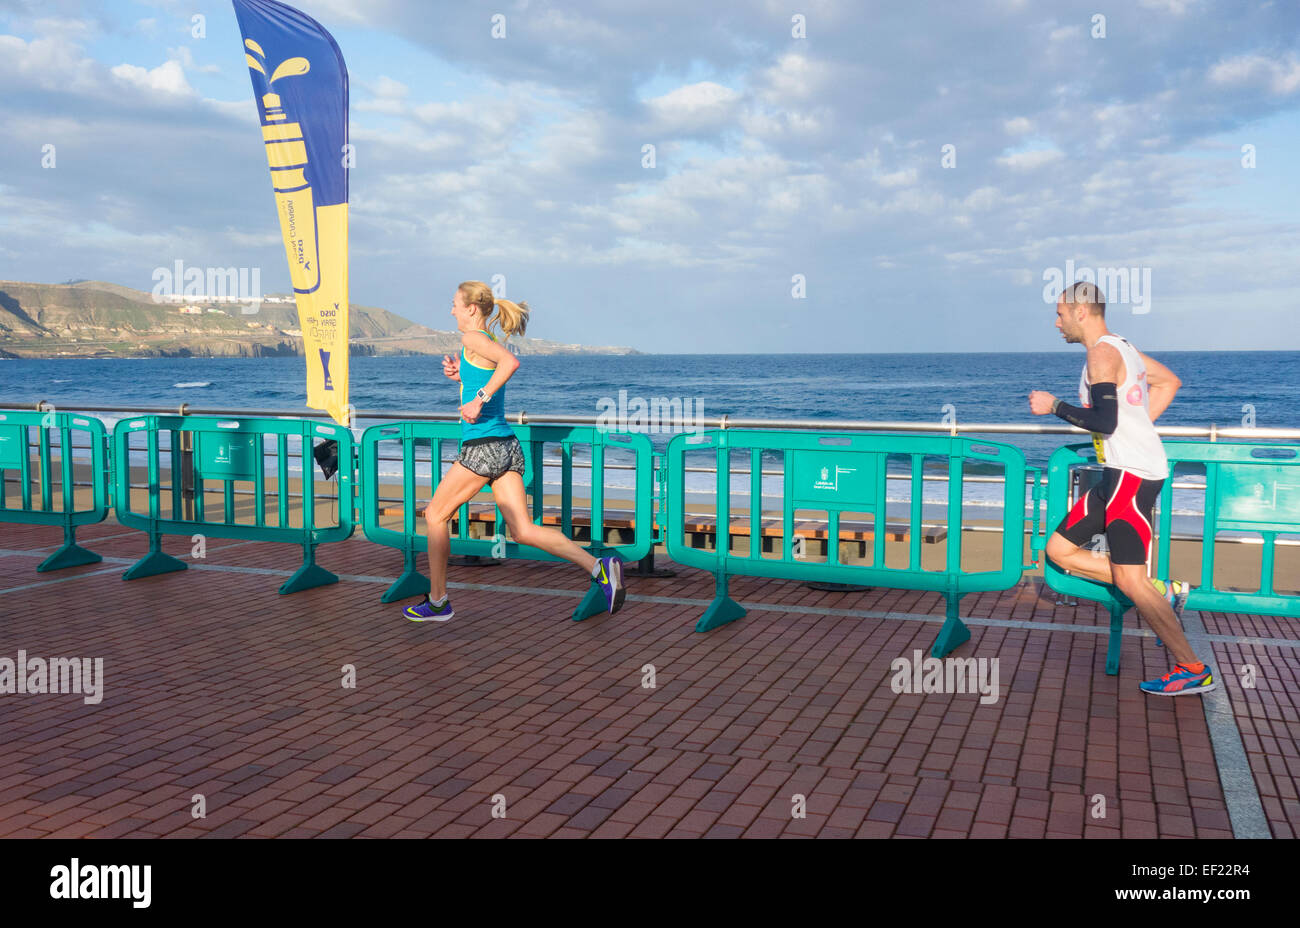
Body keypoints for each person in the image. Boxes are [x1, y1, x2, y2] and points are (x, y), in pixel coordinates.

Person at [402, 280, 626, 621]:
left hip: (483, 447)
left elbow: (509, 364)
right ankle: (599, 568)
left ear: (471, 309)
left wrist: (478, 399)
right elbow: (488, 372)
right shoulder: (482, 342)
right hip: (507, 447)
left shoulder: (473, 338)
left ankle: (437, 601)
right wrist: (460, 376)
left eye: (454, 304)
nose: (451, 310)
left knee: (435, 515)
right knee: (523, 530)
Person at [1029, 281, 1211, 696]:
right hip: (1118, 472)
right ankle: (1163, 589)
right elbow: (1169, 383)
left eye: (1060, 313)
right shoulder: (1124, 348)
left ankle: (1192, 668)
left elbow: (1104, 423)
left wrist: (1053, 405)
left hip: (1130, 476)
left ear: (1081, 312)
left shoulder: (1101, 354)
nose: (1055, 321)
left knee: (1131, 582)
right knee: (1058, 551)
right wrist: (1139, 427)